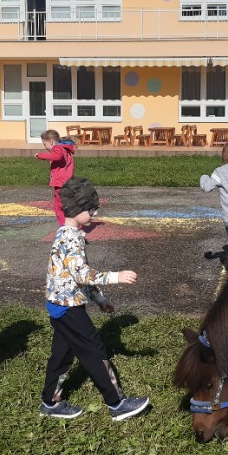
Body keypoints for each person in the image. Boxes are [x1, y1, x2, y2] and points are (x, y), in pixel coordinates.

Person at [40, 177, 150, 421]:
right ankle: (117, 404)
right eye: (91, 209)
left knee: (62, 356)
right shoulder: (70, 238)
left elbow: (77, 276)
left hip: (59, 305)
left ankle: (50, 403)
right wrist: (116, 277)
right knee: (94, 351)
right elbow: (82, 274)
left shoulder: (69, 234)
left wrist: (99, 299)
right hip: (68, 308)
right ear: (77, 209)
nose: (94, 214)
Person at [35, 129, 77, 226]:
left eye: (45, 144)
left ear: (51, 141)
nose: (45, 147)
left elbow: (57, 156)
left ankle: (65, 227)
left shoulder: (58, 148)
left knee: (59, 206)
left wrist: (41, 155)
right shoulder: (64, 148)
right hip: (66, 182)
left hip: (61, 183)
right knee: (66, 204)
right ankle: (74, 224)